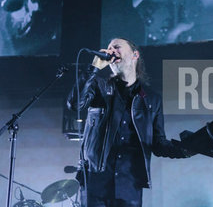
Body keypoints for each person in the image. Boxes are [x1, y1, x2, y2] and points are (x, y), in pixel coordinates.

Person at [67, 38, 192, 207]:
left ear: (135, 55)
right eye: (109, 48)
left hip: (130, 185)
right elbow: (75, 104)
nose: (111, 51)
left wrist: (187, 149)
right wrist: (94, 68)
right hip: (95, 181)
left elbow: (158, 143)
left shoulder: (151, 99)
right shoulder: (99, 87)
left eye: (116, 47)